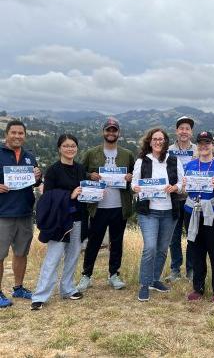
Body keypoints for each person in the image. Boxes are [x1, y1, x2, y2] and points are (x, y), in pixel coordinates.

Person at [77, 117, 134, 292]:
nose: (111, 133)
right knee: (93, 242)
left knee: (116, 242)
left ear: (119, 133)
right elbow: (78, 172)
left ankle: (114, 275)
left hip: (119, 206)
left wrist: (130, 178)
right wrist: (89, 176)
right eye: (108, 130)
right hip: (98, 206)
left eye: (114, 130)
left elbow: (135, 176)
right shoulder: (91, 153)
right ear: (103, 132)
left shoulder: (127, 154)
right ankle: (86, 276)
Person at [31, 134, 85, 310]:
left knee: (73, 255)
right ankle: (40, 296)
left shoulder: (80, 168)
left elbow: (84, 191)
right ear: (59, 148)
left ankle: (68, 289)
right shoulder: (53, 170)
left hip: (77, 218)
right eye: (66, 146)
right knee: (53, 257)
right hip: (60, 220)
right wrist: (69, 195)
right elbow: (47, 198)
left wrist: (94, 192)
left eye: (73, 145)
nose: (70, 149)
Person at [132, 128, 184, 302]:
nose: (158, 142)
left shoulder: (174, 160)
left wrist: (174, 187)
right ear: (149, 141)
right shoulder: (142, 160)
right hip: (149, 212)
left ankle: (155, 280)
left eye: (161, 139)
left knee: (162, 249)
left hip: (169, 211)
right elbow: (134, 183)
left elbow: (181, 183)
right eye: (155, 139)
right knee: (150, 248)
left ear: (165, 141)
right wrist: (136, 188)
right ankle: (144, 285)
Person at [183, 131, 214, 304]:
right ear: (197, 145)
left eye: (207, 142)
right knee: (196, 250)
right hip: (192, 211)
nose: (204, 146)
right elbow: (184, 190)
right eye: (201, 143)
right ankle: (198, 288)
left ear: (213, 145)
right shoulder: (190, 165)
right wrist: (184, 186)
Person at [0, 120, 42, 308]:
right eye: (14, 132)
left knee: (21, 253)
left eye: (21, 133)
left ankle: (18, 287)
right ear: (6, 134)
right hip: (2, 213)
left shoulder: (29, 157)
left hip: (24, 212)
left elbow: (33, 183)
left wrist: (38, 177)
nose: (17, 136)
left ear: (25, 136)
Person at [166, 116, 197, 282]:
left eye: (187, 129)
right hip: (173, 198)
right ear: (176, 131)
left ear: (191, 132)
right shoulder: (168, 150)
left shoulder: (198, 150)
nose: (184, 131)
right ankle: (175, 269)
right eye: (181, 128)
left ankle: (191, 270)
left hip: (192, 198)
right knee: (174, 236)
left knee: (192, 235)